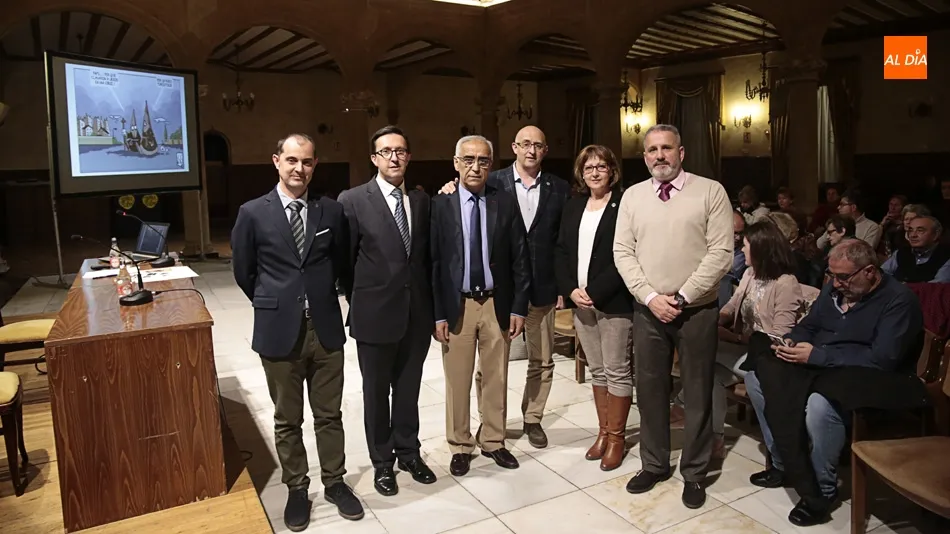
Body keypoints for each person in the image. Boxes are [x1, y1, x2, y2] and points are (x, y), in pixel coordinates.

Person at [231, 133, 363, 529]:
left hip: (324, 329)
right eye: (291, 160)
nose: (298, 169)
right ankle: (296, 488)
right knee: (288, 418)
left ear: (314, 165)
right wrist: (274, 300)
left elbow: (341, 262)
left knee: (329, 414)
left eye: (306, 162)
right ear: (276, 161)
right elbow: (244, 270)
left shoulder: (330, 212)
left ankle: (336, 483)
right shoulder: (253, 212)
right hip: (278, 330)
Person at [745, 239, 923, 526]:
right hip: (825, 362)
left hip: (874, 375)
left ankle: (822, 489)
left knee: (820, 403)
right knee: (758, 377)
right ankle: (784, 463)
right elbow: (811, 325)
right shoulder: (834, 287)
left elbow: (883, 358)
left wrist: (819, 354)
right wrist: (795, 339)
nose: (836, 283)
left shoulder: (898, 299)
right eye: (832, 275)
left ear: (870, 272)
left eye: (843, 277)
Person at [613, 124, 733, 509]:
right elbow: (622, 252)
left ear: (681, 153)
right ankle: (654, 464)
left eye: (666, 148)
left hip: (696, 309)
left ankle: (695, 473)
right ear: (644, 155)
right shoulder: (632, 196)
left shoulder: (710, 191)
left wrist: (681, 296)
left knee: (697, 390)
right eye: (652, 150)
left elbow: (721, 254)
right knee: (649, 391)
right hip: (648, 309)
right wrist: (650, 296)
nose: (659, 156)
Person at [439, 125, 570, 448]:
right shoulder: (488, 182)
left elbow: (558, 243)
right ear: (514, 147)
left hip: (535, 288)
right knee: (477, 371)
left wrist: (562, 285)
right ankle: (475, 432)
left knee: (535, 362)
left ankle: (521, 425)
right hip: (481, 294)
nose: (531, 150)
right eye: (525, 143)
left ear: (545, 150)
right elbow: (439, 257)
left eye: (538, 145)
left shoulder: (559, 188)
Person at [337, 126, 437, 497]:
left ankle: (410, 453)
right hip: (374, 314)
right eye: (386, 151)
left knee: (409, 389)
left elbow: (426, 258)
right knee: (377, 394)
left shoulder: (422, 201)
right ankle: (383, 463)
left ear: (408, 157)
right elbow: (345, 262)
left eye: (401, 151)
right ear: (374, 158)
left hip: (416, 314)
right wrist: (363, 297)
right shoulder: (352, 200)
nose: (394, 157)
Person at [430, 135, 530, 476]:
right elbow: (434, 263)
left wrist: (518, 307)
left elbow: (520, 258)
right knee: (457, 380)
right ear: (456, 163)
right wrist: (438, 313)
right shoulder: (439, 204)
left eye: (483, 161)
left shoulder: (504, 202)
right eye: (468, 159)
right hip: (457, 304)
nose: (476, 166)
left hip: (495, 303)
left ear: (491, 165)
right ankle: (460, 445)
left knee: (495, 376)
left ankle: (494, 441)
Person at [673, 221, 813, 458]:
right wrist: (719, 319)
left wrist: (736, 337)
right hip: (743, 350)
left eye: (746, 246)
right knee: (710, 372)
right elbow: (733, 304)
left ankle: (680, 404)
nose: (741, 250)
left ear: (761, 249)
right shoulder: (750, 273)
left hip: (767, 356)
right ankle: (715, 439)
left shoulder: (785, 283)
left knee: (702, 352)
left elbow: (781, 336)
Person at [554, 145, 634, 471]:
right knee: (597, 370)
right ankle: (603, 432)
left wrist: (594, 292)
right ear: (581, 173)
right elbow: (560, 251)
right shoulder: (574, 206)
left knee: (616, 371)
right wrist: (571, 290)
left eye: (601, 166)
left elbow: (626, 254)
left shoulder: (624, 205)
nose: (595, 172)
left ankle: (617, 438)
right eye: (589, 168)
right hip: (580, 302)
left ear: (612, 171)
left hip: (613, 302)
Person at [881, 215, 950, 283]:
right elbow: (882, 275)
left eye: (920, 230)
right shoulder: (901, 252)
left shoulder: (946, 257)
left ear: (936, 234)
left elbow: (935, 287)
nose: (913, 235)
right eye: (910, 230)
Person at [816, 189, 881, 250]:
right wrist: (831, 231)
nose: (838, 207)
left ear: (853, 207)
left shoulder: (872, 227)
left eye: (842, 204)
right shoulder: (836, 223)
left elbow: (866, 252)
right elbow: (819, 244)